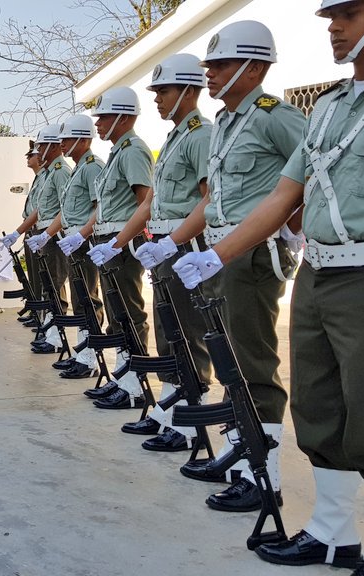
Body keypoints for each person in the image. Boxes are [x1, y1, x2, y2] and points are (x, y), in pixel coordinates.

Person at [175, 2, 364, 572]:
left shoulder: (281, 113)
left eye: (350, 13)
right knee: (320, 407)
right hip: (321, 274)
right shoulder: (330, 107)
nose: (334, 26)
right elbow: (283, 194)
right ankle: (333, 532)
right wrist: (211, 253)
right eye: (331, 16)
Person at [145, 20, 305, 512]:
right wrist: (179, 242)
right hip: (217, 253)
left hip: (250, 257)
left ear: (254, 67)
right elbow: (213, 200)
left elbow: (309, 177)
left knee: (253, 362)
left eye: (220, 65)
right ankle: (242, 458)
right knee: (230, 358)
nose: (208, 73)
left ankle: (265, 475)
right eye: (209, 65)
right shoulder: (229, 123)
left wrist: (293, 234)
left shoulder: (273, 115)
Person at [122, 53, 214, 450]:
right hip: (163, 246)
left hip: (186, 244)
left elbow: (210, 200)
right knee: (169, 330)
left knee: (190, 334)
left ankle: (190, 422)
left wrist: (173, 243)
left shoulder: (201, 135)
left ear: (190, 91)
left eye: (165, 90)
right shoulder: (175, 139)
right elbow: (152, 202)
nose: (157, 98)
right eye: (156, 91)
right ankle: (169, 408)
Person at [81, 86, 154, 410]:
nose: (98, 123)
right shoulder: (118, 153)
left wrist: (119, 242)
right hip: (110, 243)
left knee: (129, 313)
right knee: (116, 314)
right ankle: (122, 377)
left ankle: (135, 386)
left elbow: (145, 203)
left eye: (104, 116)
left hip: (122, 245)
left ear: (123, 117)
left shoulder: (134, 150)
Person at [35, 114, 105, 379]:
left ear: (83, 139)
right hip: (71, 242)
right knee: (78, 296)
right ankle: (82, 352)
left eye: (67, 138)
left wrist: (81, 235)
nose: (62, 143)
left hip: (84, 241)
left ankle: (90, 357)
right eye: (61, 139)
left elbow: (100, 207)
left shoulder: (92, 167)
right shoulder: (77, 168)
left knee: (88, 296)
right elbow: (65, 212)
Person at [2, 126, 71, 353]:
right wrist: (18, 232)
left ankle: (56, 334)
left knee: (55, 285)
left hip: (52, 236)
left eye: (40, 146)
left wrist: (47, 234)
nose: (38, 151)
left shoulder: (60, 172)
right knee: (45, 284)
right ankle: (48, 328)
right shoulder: (51, 173)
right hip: (42, 234)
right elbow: (40, 210)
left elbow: (65, 208)